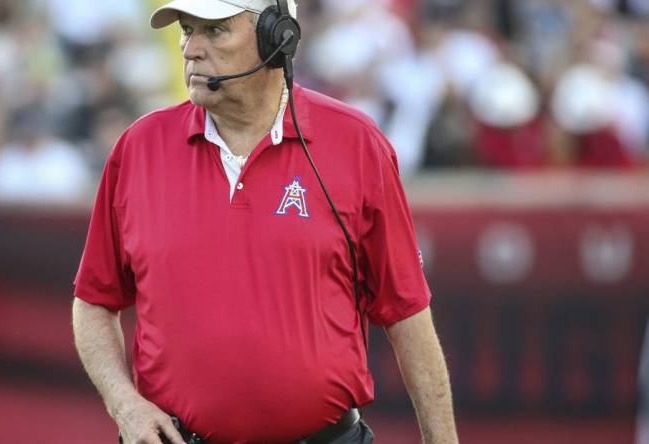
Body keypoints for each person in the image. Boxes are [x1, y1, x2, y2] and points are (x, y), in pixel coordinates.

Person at [72, 1, 458, 443]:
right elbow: (93, 302)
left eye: (214, 31)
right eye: (187, 30)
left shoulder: (356, 144)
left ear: (277, 37)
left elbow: (406, 311)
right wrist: (125, 405)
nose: (191, 49)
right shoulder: (139, 148)